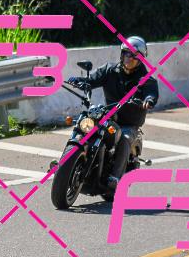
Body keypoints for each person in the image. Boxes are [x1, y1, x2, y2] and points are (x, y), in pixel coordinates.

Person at [66, 36, 159, 189]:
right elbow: (93, 79)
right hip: (109, 117)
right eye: (127, 53)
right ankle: (65, 161)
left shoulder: (145, 78)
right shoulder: (109, 70)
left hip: (129, 123)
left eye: (134, 56)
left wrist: (149, 99)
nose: (129, 58)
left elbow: (151, 92)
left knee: (124, 138)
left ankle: (115, 177)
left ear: (141, 59)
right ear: (122, 54)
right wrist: (80, 81)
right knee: (83, 123)